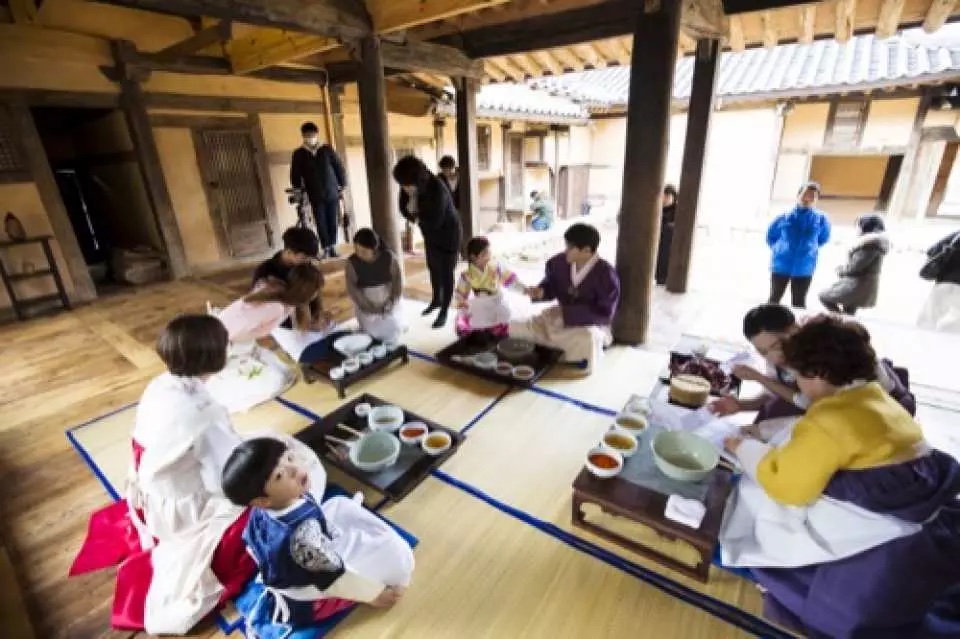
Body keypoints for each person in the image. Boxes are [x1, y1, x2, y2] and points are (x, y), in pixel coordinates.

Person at [69, 315, 330, 634]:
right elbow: (226, 482)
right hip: (190, 511)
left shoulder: (160, 384)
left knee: (269, 441)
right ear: (214, 357)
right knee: (295, 477)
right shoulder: (204, 417)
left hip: (156, 496)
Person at [720, 316, 960, 639]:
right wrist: (763, 431)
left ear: (818, 374)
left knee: (758, 498)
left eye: (799, 375)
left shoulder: (830, 420)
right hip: (915, 503)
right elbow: (809, 421)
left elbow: (787, 485)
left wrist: (743, 447)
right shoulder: (874, 396)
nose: (797, 383)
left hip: (875, 526)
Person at [221, 438, 414, 635]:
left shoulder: (261, 511)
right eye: (279, 475)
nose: (294, 469)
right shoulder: (301, 536)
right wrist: (374, 595)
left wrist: (281, 565)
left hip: (301, 563)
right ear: (262, 500)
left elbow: (252, 546)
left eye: (289, 458)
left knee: (339, 504)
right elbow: (335, 579)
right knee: (397, 556)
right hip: (311, 597)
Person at [710, 303, 915, 421]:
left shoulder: (827, 351)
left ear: (794, 328)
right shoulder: (784, 354)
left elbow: (809, 402)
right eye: (763, 352)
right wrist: (741, 405)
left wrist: (759, 378)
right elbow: (776, 393)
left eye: (776, 345)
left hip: (878, 411)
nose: (773, 357)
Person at [207, 264, 332, 411]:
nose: (316, 295)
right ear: (305, 291)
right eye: (315, 291)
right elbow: (232, 329)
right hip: (220, 343)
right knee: (275, 382)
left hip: (240, 341)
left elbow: (302, 325)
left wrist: (317, 322)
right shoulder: (275, 307)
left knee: (285, 374)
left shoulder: (285, 297)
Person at [509, 223, 620, 374]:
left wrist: (566, 313)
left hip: (587, 325)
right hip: (555, 318)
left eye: (570, 247)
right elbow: (550, 286)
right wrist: (541, 292)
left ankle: (559, 354)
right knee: (515, 326)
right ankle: (554, 352)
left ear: (587, 250)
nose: (565, 250)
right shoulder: (558, 263)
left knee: (587, 339)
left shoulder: (606, 275)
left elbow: (604, 314)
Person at [393, 155, 462, 329]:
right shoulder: (408, 183)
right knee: (433, 267)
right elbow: (403, 209)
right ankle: (436, 300)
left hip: (449, 234)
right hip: (430, 234)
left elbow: (435, 221)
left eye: (407, 186)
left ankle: (444, 310)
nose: (405, 189)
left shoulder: (438, 188)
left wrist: (415, 214)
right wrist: (415, 213)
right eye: (402, 185)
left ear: (418, 180)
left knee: (446, 272)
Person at [766, 182, 831, 308]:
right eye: (805, 194)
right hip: (781, 264)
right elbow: (771, 237)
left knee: (799, 302)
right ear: (798, 195)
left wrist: (808, 249)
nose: (807, 198)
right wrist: (780, 250)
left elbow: (823, 238)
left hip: (805, 266)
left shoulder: (821, 219)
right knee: (774, 298)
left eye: (812, 196)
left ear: (817, 199)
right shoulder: (784, 216)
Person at [290, 123, 347, 258]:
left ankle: (333, 247)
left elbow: (338, 167)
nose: (310, 137)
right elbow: (295, 173)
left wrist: (342, 184)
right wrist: (297, 189)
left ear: (317, 134)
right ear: (303, 136)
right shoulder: (299, 154)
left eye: (312, 135)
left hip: (332, 192)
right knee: (320, 222)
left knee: (332, 220)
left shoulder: (327, 149)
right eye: (307, 135)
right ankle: (326, 248)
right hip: (315, 194)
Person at [253, 226, 323, 331]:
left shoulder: (306, 266)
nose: (308, 262)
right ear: (289, 251)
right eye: (304, 257)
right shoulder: (265, 272)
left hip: (309, 326)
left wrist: (318, 313)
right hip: (280, 328)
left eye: (310, 259)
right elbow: (261, 306)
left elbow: (315, 293)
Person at [818, 213, 889, 315]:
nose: (857, 228)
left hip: (858, 283)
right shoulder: (872, 242)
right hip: (861, 283)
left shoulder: (870, 244)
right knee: (849, 310)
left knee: (824, 296)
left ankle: (839, 319)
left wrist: (841, 270)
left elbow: (856, 266)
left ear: (865, 226)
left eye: (858, 225)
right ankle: (843, 321)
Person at [454, 236, 525, 337]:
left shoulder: (496, 268)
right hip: (480, 302)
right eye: (484, 254)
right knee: (468, 319)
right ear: (473, 257)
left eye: (489, 253)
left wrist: (525, 290)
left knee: (503, 319)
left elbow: (511, 282)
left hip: (496, 301)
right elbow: (460, 295)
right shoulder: (467, 275)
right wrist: (462, 304)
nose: (489, 257)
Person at [344, 228, 404, 342]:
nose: (359, 254)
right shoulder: (352, 262)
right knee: (371, 334)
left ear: (374, 248)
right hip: (365, 301)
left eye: (363, 251)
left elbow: (397, 282)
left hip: (387, 298)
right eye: (356, 250)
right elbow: (352, 288)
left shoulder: (389, 257)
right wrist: (368, 307)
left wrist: (392, 301)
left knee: (393, 330)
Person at [918, 229, 960, 333]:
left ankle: (924, 334)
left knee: (927, 321)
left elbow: (931, 250)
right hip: (950, 284)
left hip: (945, 282)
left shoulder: (956, 235)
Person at [655, 184, 678, 286]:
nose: (665, 199)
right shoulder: (656, 209)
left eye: (668, 197)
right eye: (664, 196)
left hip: (668, 244)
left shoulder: (676, 210)